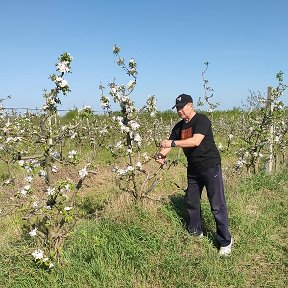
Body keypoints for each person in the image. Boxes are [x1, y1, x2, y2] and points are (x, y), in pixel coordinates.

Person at [155, 93, 233, 256]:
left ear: (190, 105)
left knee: (217, 205)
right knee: (192, 202)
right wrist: (162, 154)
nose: (179, 111)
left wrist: (173, 143)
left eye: (182, 107)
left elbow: (195, 141)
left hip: (210, 166)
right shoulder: (179, 127)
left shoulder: (202, 120)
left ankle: (225, 241)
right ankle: (196, 232)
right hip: (193, 169)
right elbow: (169, 144)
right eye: (177, 108)